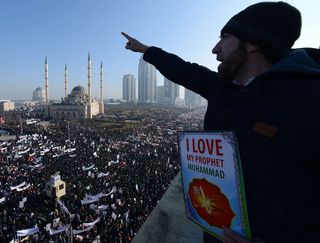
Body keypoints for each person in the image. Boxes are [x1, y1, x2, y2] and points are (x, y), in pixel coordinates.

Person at [122, 1, 320, 243]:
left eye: (224, 38)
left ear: (253, 43)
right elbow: (183, 70)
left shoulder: (309, 99)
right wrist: (146, 50)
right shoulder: (223, 88)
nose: (215, 49)